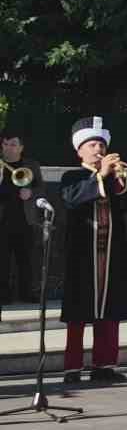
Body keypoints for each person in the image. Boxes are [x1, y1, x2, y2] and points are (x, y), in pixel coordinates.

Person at [59, 116, 127, 384]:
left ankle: (104, 365)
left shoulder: (116, 175)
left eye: (101, 144)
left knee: (111, 310)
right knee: (78, 313)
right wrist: (100, 177)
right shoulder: (71, 177)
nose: (98, 149)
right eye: (92, 144)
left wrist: (118, 179)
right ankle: (72, 368)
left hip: (111, 253)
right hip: (83, 255)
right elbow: (72, 200)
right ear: (79, 150)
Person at [0, 130, 42, 305]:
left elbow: (41, 187)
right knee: (2, 261)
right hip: (2, 220)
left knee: (26, 259)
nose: (9, 148)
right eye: (5, 144)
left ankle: (27, 293)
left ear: (21, 148)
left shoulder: (31, 165)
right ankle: (3, 295)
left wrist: (31, 192)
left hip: (25, 220)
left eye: (13, 144)